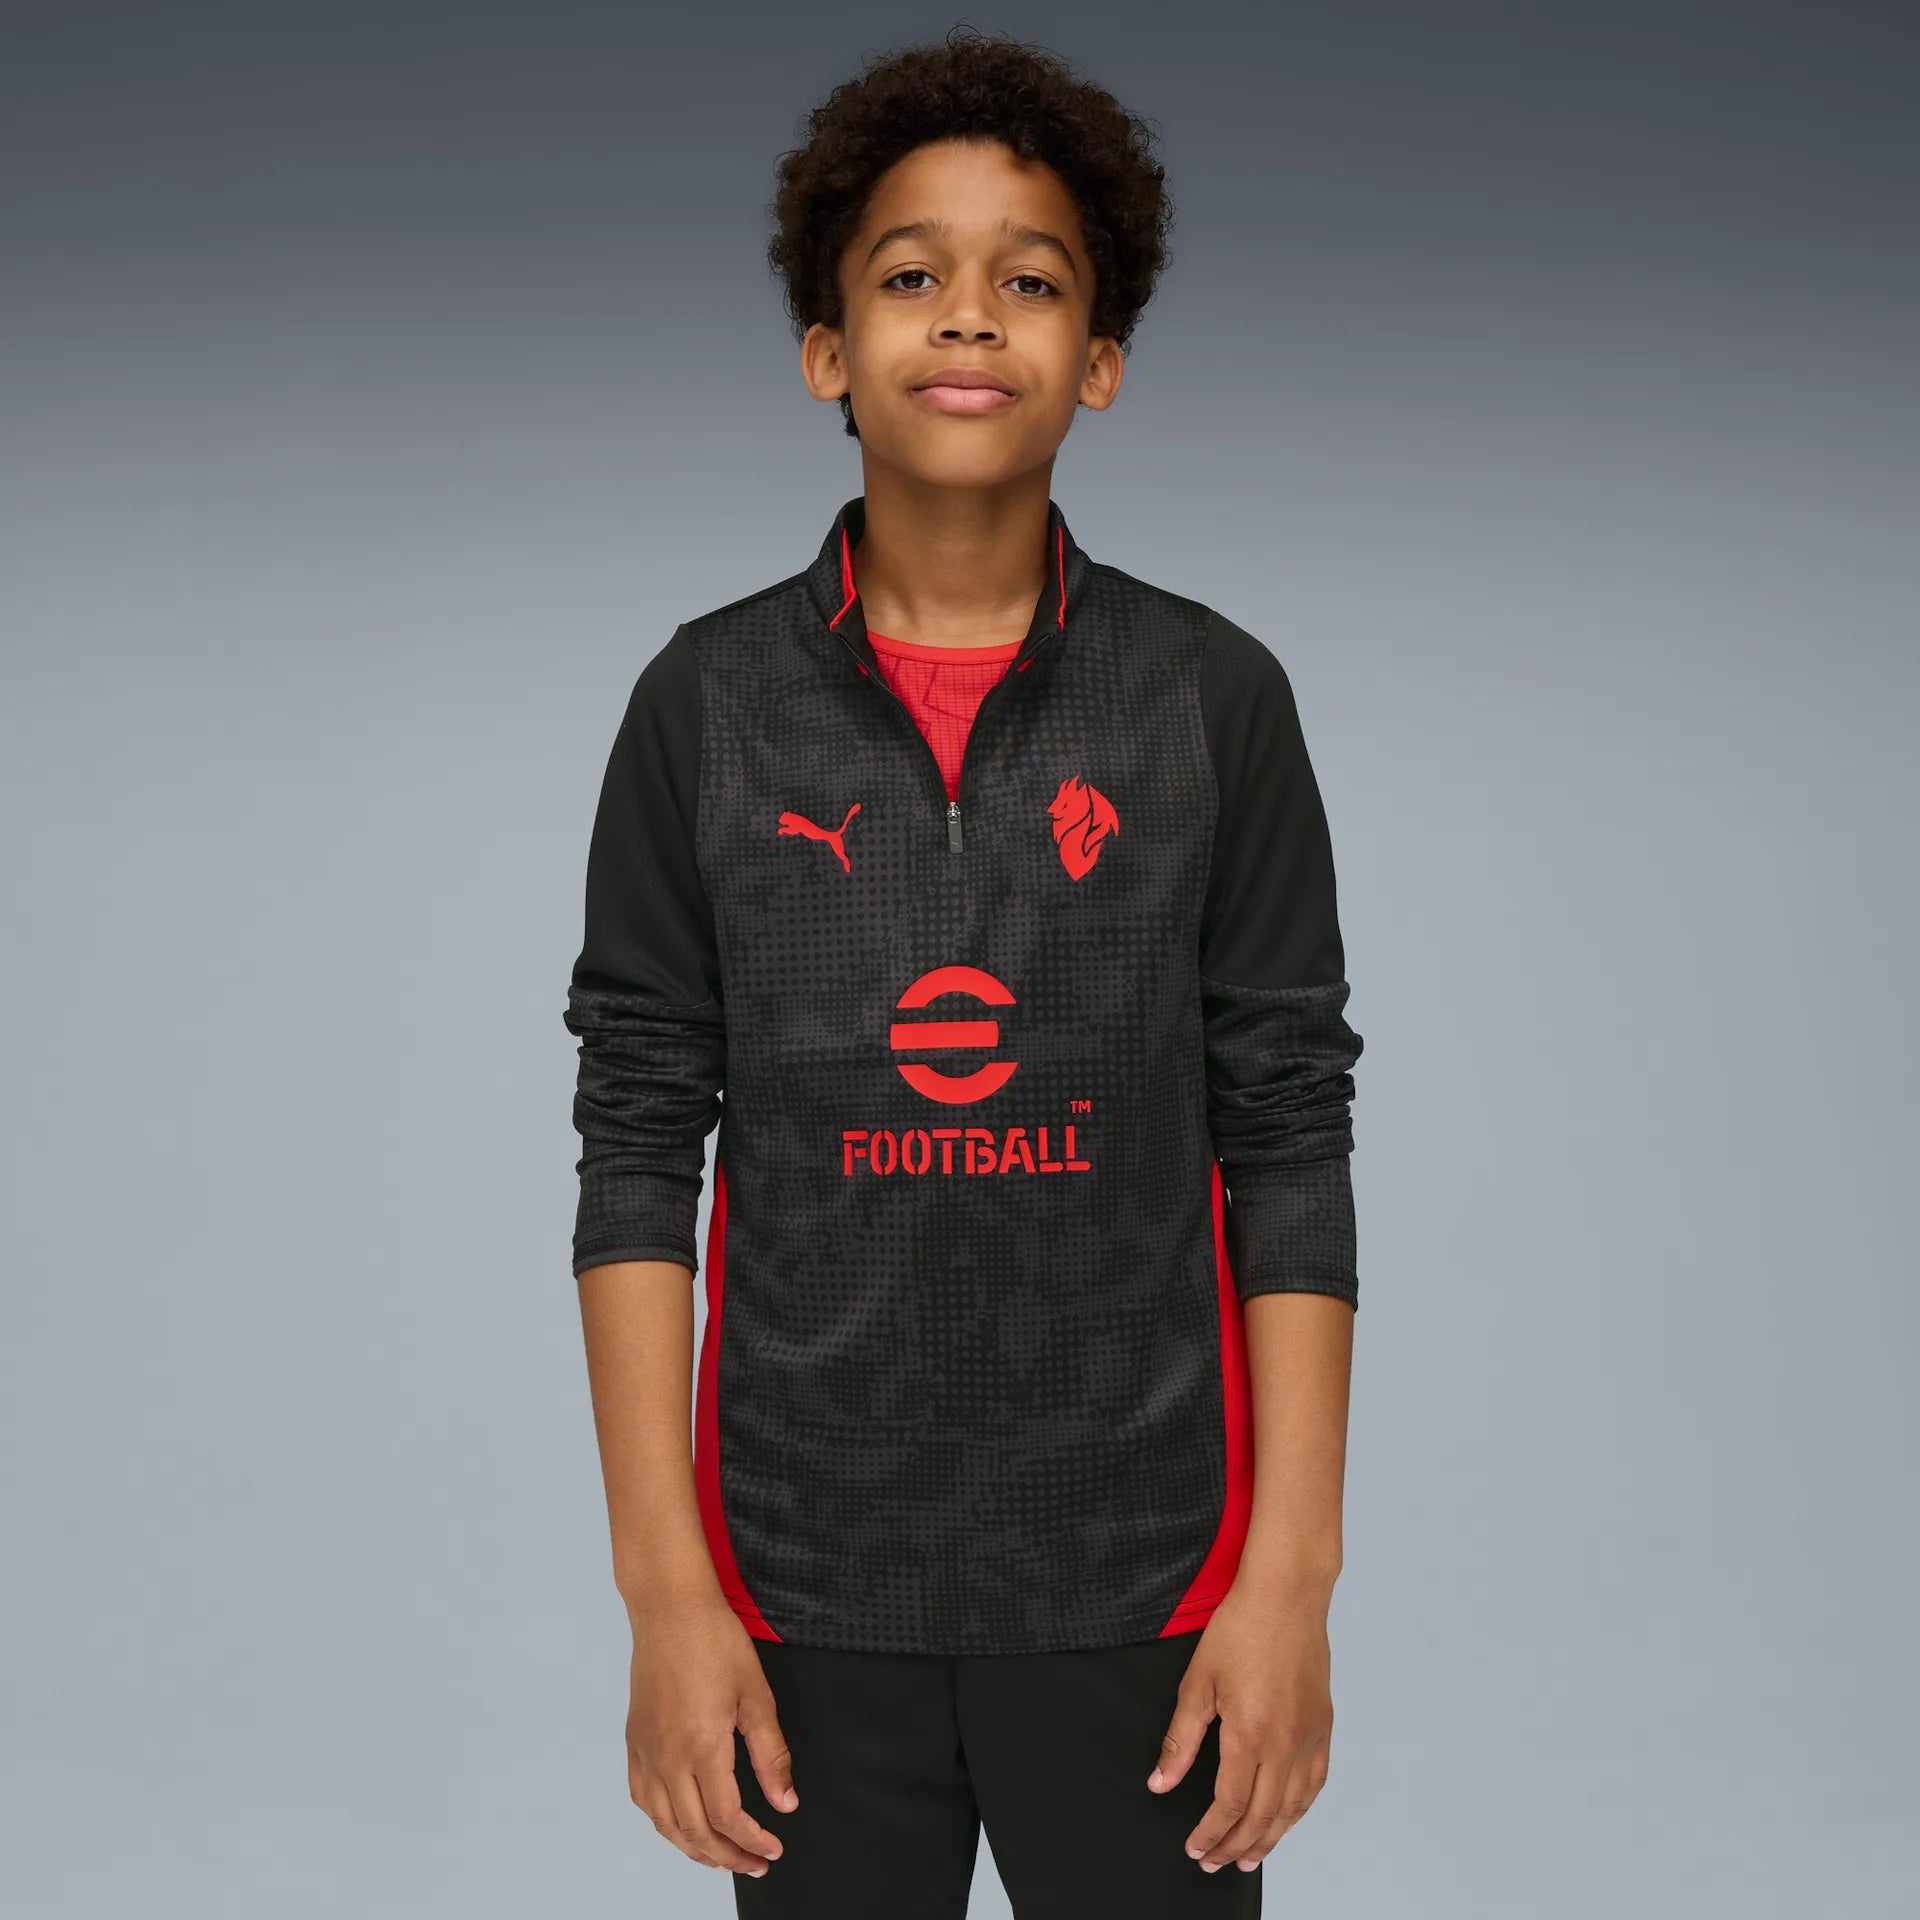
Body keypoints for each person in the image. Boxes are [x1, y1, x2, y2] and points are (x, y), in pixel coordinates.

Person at [562, 26, 1363, 1917]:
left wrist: (1288, 1587)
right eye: (912, 275)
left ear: (1101, 360)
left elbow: (1289, 1140)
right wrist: (670, 1601)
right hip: (801, 1594)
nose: (970, 317)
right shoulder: (708, 705)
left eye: (1033, 282)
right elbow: (636, 1151)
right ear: (829, 353)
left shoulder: (1210, 700)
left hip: (1149, 1588)